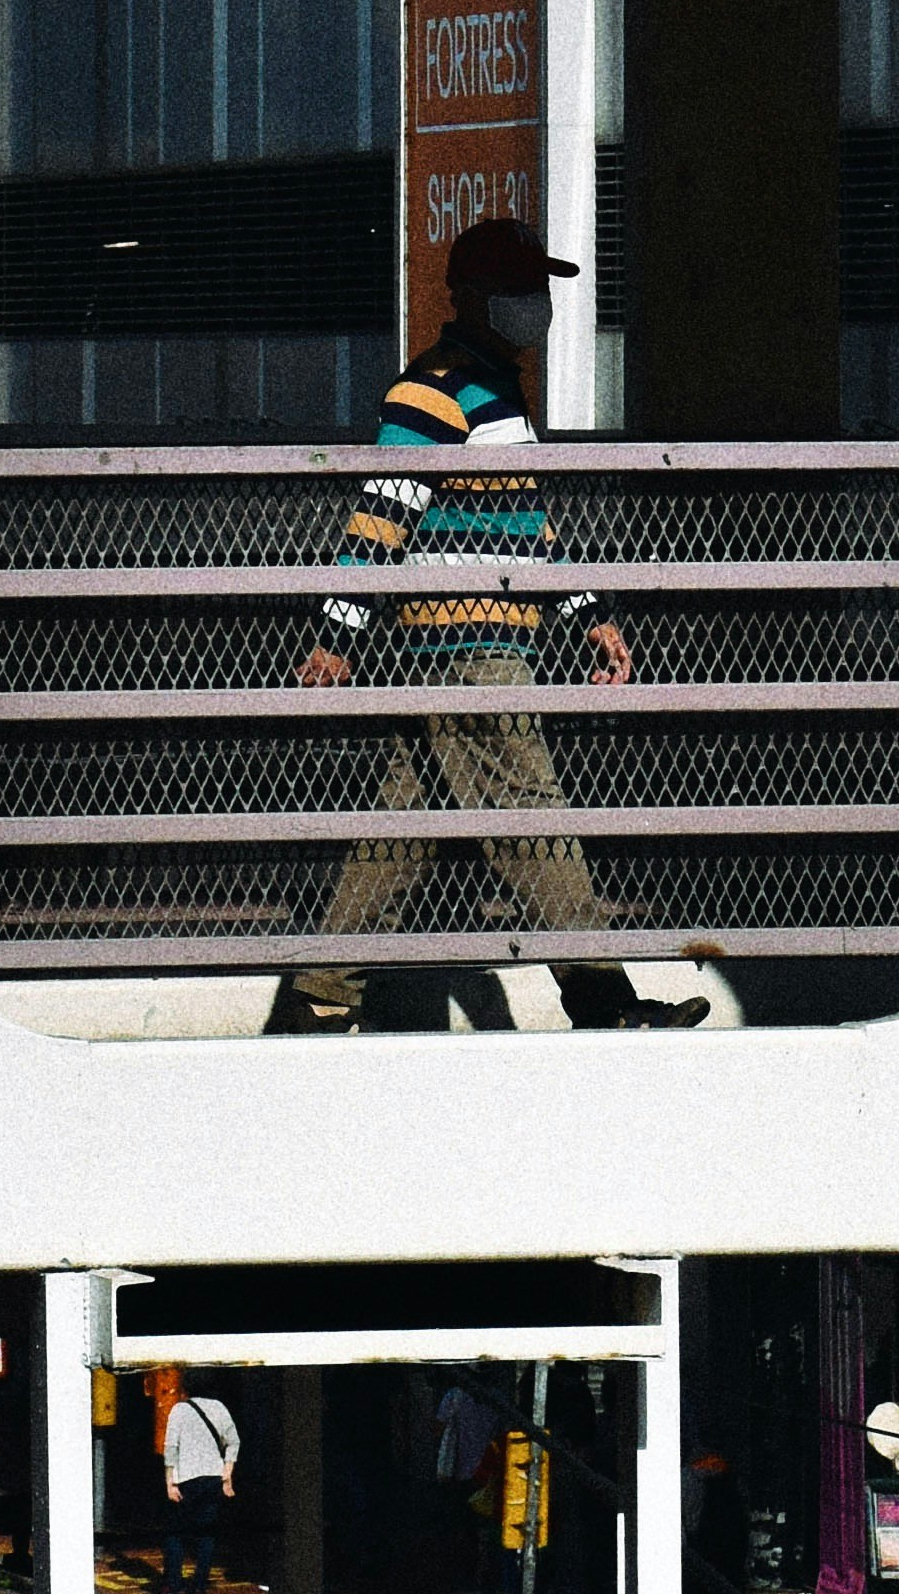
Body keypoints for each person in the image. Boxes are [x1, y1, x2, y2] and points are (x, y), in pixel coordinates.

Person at [268, 220, 703, 1036]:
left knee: (404, 829)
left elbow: (526, 525)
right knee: (530, 813)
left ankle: (318, 999)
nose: (531, 304)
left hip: (485, 642)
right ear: (466, 295)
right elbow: (380, 518)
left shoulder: (498, 394)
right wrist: (336, 635)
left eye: (537, 289)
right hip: (465, 645)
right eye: (514, 289)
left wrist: (587, 615)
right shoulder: (429, 390)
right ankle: (606, 1003)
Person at [158, 1374, 241, 1594]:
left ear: (185, 1388)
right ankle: (199, 1588)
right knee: (206, 1534)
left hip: (186, 1478)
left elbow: (170, 1448)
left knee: (175, 1533)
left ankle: (175, 1588)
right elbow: (234, 1442)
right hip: (213, 1478)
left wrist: (169, 1482)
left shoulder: (179, 1410)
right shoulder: (220, 1407)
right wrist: (227, 1474)